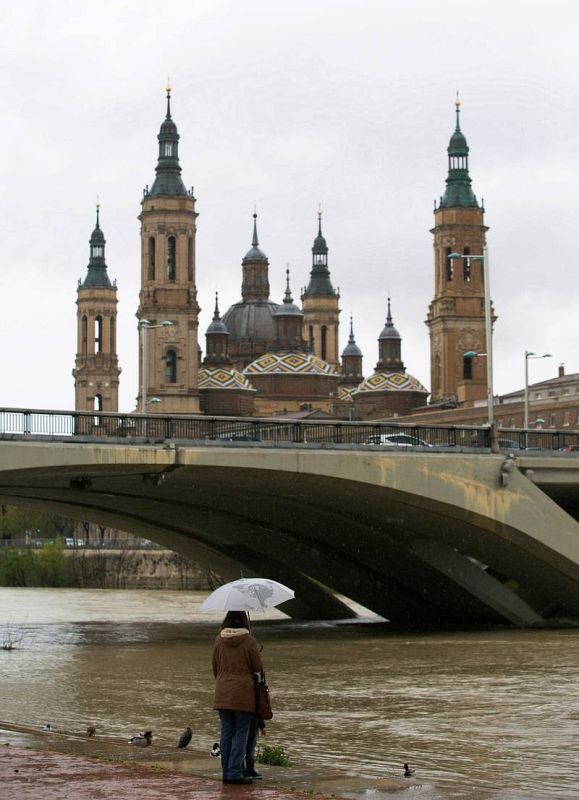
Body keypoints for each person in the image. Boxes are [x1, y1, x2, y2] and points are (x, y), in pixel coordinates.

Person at [212, 610, 263, 785]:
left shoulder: (219, 640)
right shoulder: (249, 641)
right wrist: (256, 650)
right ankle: (235, 773)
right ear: (245, 621)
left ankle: (226, 772)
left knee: (226, 732)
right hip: (243, 693)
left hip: (222, 691)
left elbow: (215, 667)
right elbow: (257, 667)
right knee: (241, 731)